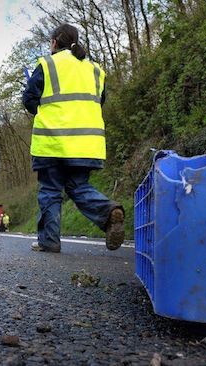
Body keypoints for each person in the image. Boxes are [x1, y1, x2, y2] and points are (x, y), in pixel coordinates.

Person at [22, 23, 125, 252]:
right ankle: (108, 212)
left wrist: (45, 110)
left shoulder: (48, 64)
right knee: (78, 186)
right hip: (87, 145)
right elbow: (100, 100)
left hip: (53, 142)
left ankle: (49, 242)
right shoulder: (96, 70)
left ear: (55, 43)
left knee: (50, 190)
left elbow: (29, 99)